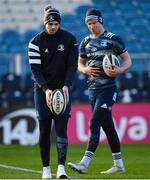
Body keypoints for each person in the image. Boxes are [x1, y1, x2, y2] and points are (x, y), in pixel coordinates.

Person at [68, 8, 132, 174]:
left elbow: (127, 61)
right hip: (92, 90)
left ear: (100, 21)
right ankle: (119, 165)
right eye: (88, 23)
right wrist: (86, 70)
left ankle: (84, 163)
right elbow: (79, 64)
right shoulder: (85, 42)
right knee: (108, 127)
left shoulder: (113, 40)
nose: (91, 26)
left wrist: (118, 71)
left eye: (93, 22)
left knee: (94, 122)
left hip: (108, 89)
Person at [28, 5, 78, 179]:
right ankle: (46, 170)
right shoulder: (35, 42)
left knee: (61, 129)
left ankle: (61, 169)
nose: (53, 27)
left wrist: (67, 86)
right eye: (50, 24)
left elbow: (72, 66)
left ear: (59, 23)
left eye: (56, 23)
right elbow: (35, 70)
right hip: (42, 91)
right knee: (44, 131)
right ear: (45, 23)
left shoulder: (70, 39)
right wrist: (46, 90)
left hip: (63, 90)